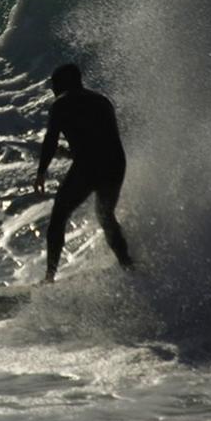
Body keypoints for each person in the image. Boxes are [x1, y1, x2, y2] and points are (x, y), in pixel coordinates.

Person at [33, 63, 133, 283]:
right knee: (106, 215)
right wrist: (71, 152)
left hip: (89, 166)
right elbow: (102, 142)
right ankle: (128, 265)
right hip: (115, 163)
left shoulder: (61, 103)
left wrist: (41, 172)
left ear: (64, 84)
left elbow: (50, 140)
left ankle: (49, 277)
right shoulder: (102, 101)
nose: (53, 90)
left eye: (55, 85)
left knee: (59, 216)